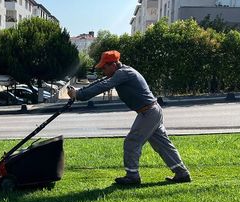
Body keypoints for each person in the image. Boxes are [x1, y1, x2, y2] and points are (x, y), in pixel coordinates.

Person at [67, 50, 191, 185]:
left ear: (113, 64)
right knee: (163, 145)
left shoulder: (124, 73)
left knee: (132, 142)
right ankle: (182, 173)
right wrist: (79, 92)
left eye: (104, 67)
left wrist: (78, 95)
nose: (103, 70)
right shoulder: (118, 73)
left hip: (148, 112)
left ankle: (132, 176)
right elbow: (99, 82)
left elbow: (104, 86)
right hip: (151, 111)